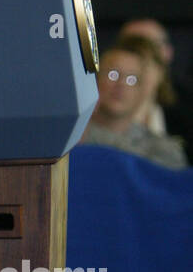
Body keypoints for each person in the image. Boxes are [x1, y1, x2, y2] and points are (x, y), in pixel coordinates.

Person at [80, 36, 187, 169]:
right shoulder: (71, 139)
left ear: (142, 91)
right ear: (95, 80)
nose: (121, 85)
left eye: (131, 79)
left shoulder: (163, 150)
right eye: (113, 75)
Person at [119, 17, 193, 160]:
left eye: (150, 48)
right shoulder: (97, 105)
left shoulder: (187, 106)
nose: (139, 61)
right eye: (130, 47)